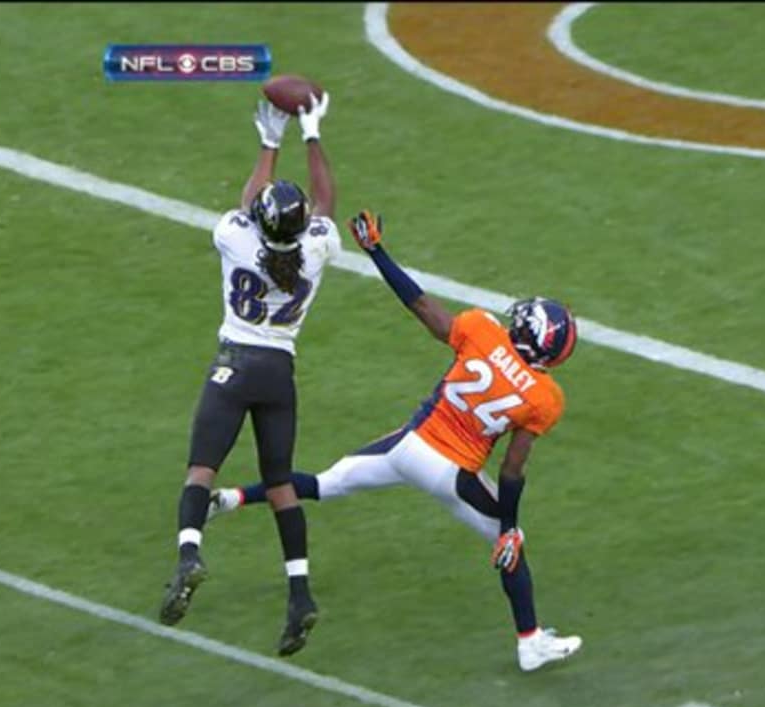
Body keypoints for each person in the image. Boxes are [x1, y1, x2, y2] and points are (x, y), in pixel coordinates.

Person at [208, 210, 583, 671]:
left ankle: (230, 497)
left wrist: (376, 250)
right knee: (512, 542)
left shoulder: (483, 330)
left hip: (409, 447)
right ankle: (530, 642)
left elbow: (422, 307)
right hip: (452, 472)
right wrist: (507, 527)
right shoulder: (546, 397)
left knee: (325, 483)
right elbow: (511, 469)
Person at [159, 92, 341, 658]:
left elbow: (247, 202)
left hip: (235, 365)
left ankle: (190, 555)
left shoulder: (237, 238)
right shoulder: (313, 251)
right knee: (280, 485)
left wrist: (271, 140)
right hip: (279, 375)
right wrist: (313, 134)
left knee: (200, 471)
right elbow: (327, 202)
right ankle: (299, 595)